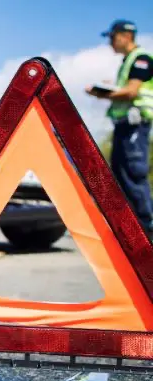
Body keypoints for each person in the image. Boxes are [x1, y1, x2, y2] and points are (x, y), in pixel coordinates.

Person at [86, 20, 153, 234]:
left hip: (135, 124)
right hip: (125, 125)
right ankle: (130, 226)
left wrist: (102, 93)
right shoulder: (127, 62)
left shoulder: (141, 59)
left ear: (125, 36)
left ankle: (147, 228)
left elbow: (132, 91)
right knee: (120, 172)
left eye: (112, 37)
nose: (110, 43)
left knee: (133, 172)